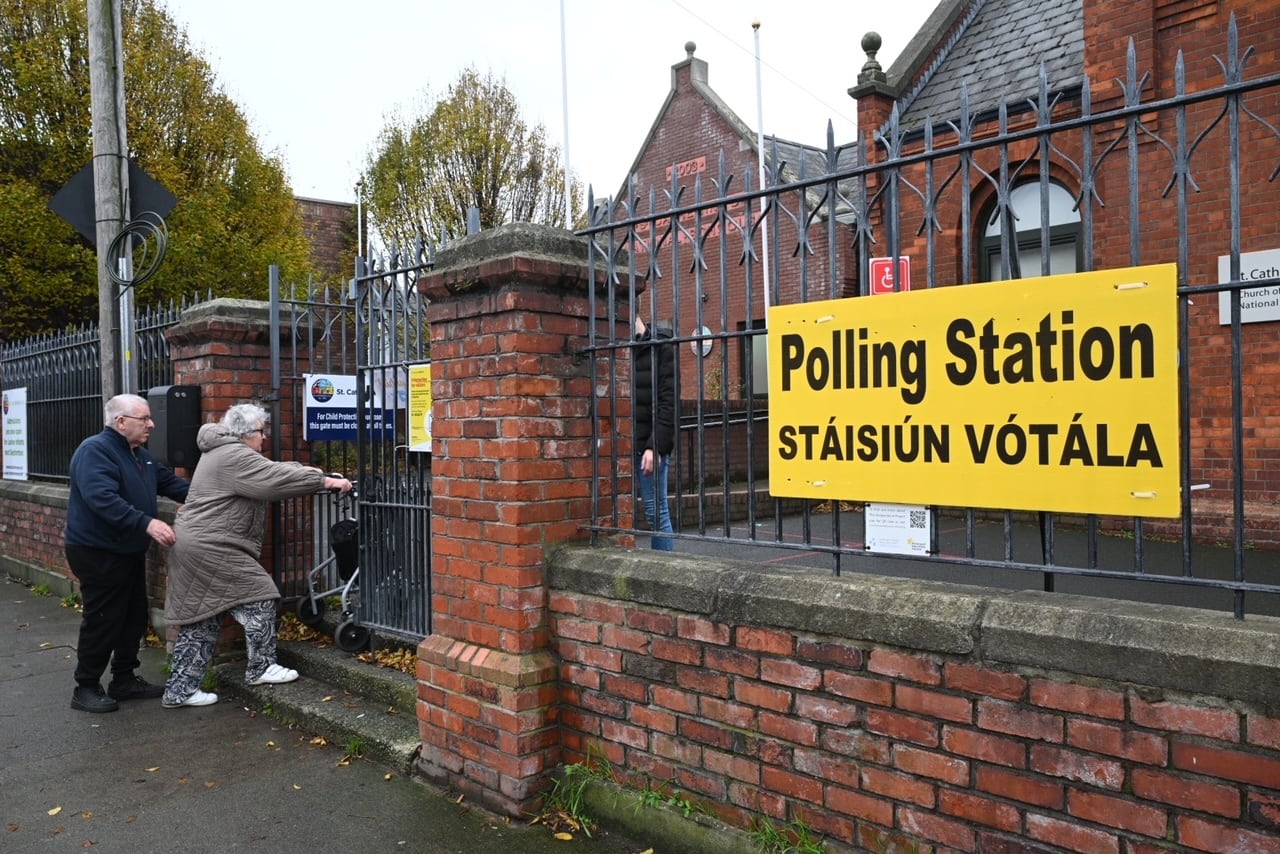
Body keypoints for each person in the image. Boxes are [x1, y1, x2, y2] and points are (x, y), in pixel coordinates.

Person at [162, 403, 352, 708]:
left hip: (196, 543)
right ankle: (261, 667)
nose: (264, 438)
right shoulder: (233, 455)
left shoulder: (223, 452)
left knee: (203, 619)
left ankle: (180, 690)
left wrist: (307, 471)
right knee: (260, 597)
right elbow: (271, 480)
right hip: (212, 546)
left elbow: (270, 470)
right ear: (246, 433)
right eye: (261, 432)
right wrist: (324, 481)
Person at [66, 393, 191, 713]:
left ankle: (123, 679)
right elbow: (102, 499)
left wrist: (218, 492)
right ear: (121, 422)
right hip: (97, 551)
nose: (152, 423)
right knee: (104, 618)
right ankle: (86, 686)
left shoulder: (141, 456)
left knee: (133, 616)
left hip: (127, 551)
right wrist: (147, 523)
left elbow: (176, 487)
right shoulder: (95, 451)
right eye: (144, 418)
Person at [633, 313, 677, 551]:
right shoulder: (619, 348)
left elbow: (669, 401)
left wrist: (655, 446)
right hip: (619, 444)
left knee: (656, 513)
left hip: (648, 446)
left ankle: (664, 572)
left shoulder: (662, 346)